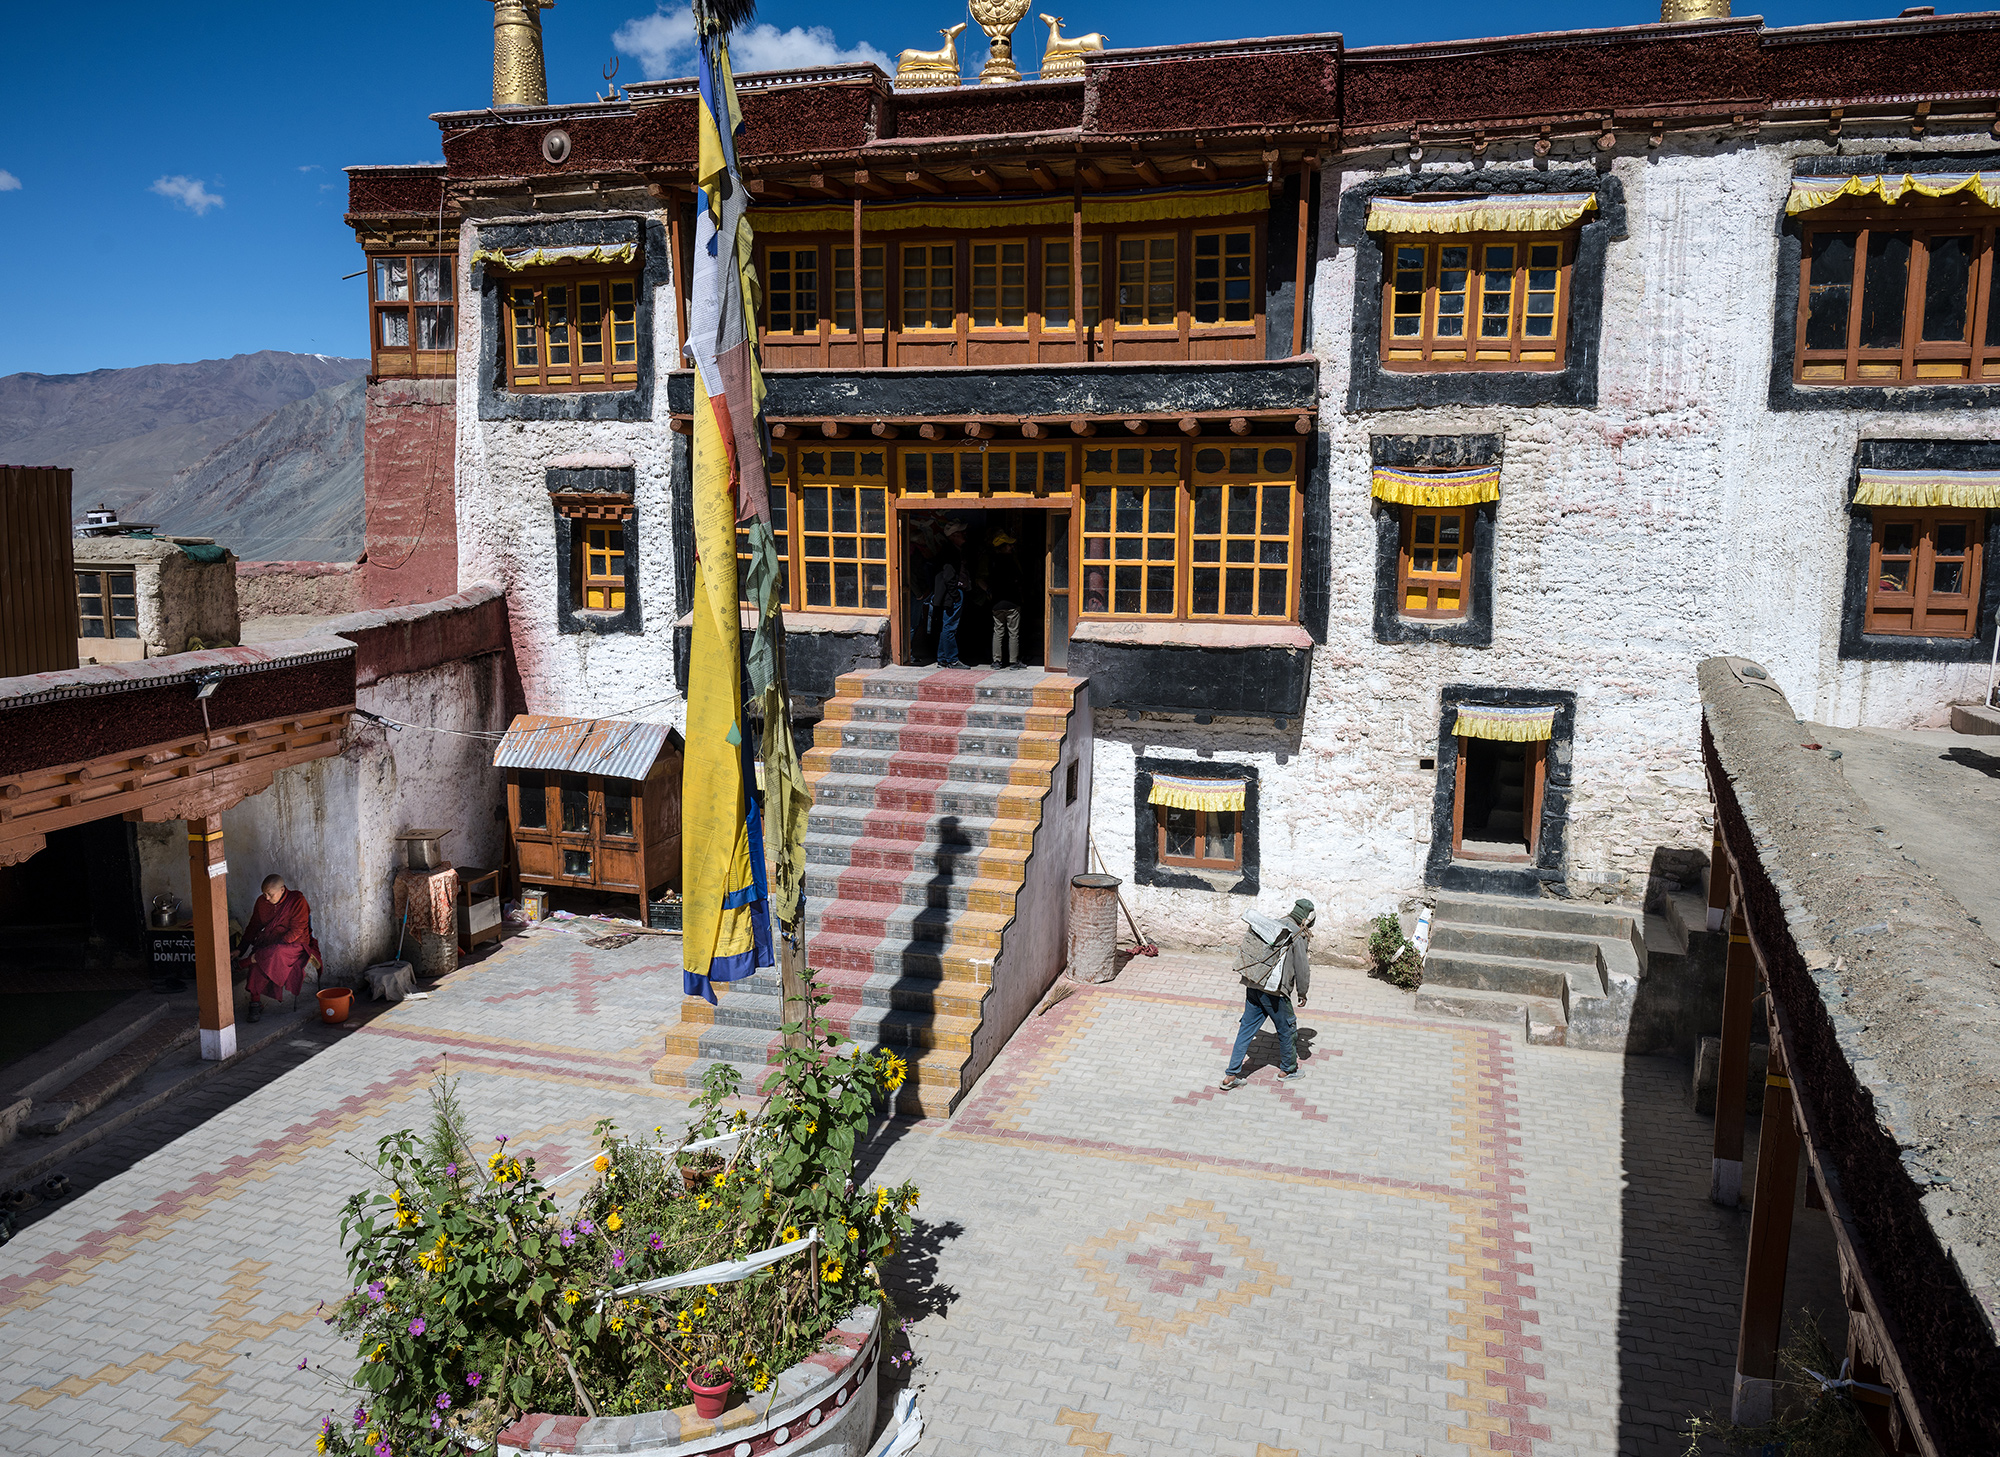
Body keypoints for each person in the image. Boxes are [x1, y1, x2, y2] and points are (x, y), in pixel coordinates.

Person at [1220, 898, 1314, 1089]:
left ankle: (1231, 1075)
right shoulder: (1297, 935)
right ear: (1307, 919)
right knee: (1287, 1029)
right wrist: (1302, 992)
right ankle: (1288, 1070)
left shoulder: (1275, 924)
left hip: (1254, 984)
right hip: (1274, 992)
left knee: (1246, 1030)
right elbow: (1302, 968)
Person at [234, 874, 322, 1022]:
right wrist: (240, 949)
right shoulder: (262, 903)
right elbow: (253, 927)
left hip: (295, 945)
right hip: (272, 944)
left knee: (270, 953)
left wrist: (273, 947)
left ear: (282, 890)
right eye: (264, 894)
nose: (267, 898)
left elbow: (297, 931)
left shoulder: (297, 900)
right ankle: (255, 1003)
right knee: (261, 956)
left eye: (270, 894)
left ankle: (242, 964)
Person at [930, 561, 966, 669]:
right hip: (950, 598)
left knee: (946, 627)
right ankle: (952, 660)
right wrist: (956, 595)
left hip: (947, 597)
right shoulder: (950, 557)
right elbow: (948, 579)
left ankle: (943, 659)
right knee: (949, 628)